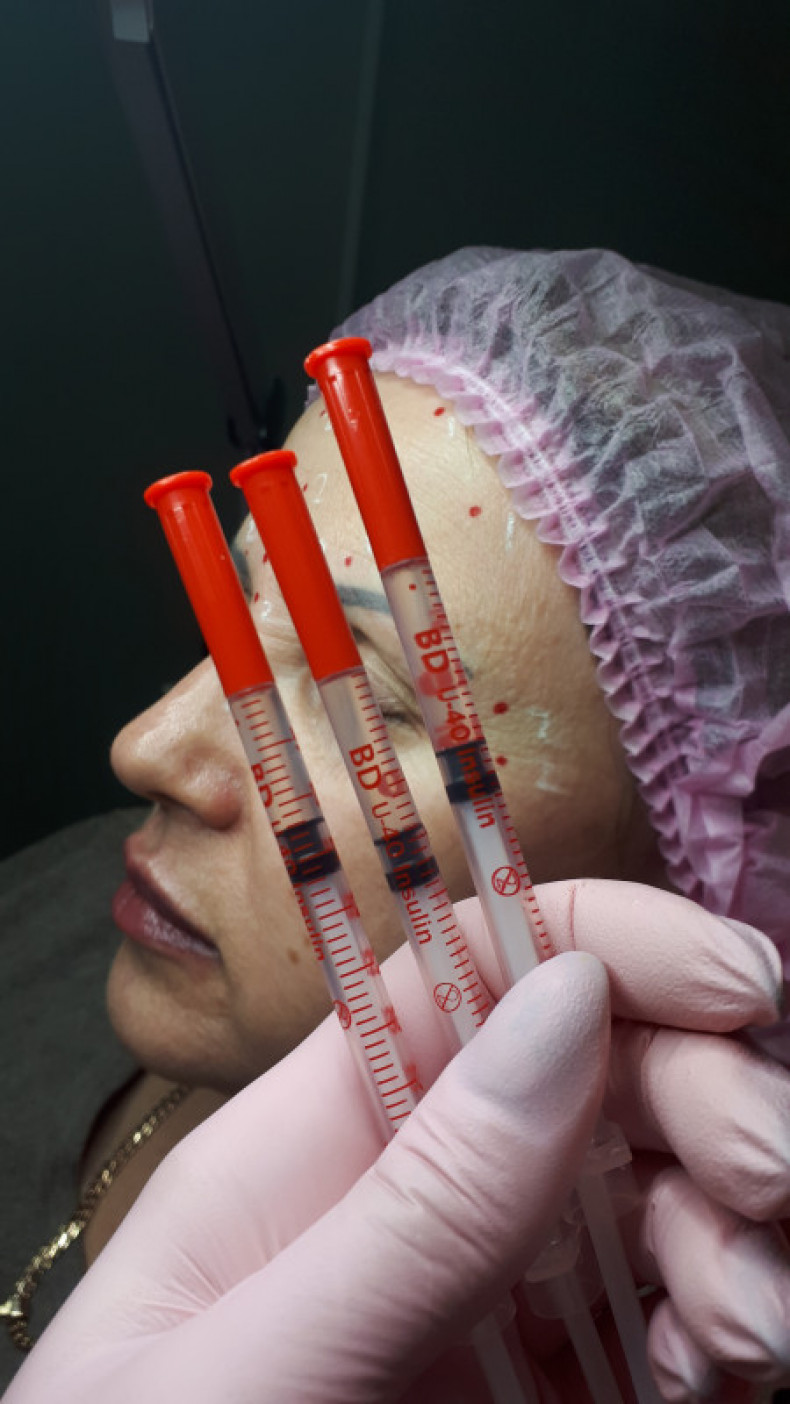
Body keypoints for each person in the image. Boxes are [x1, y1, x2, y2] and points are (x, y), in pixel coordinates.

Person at [2, 247, 789, 1401]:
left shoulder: (670, 1349)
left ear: (694, 874)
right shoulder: (51, 906)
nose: (148, 750)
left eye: (356, 695)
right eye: (239, 610)